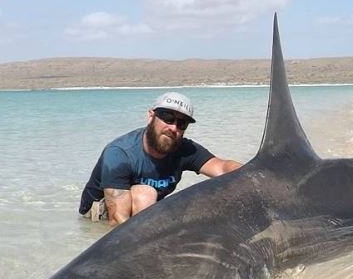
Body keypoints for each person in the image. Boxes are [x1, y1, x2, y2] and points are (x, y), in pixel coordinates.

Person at [79, 92, 242, 225]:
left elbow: (223, 168)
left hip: (145, 210)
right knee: (145, 195)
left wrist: (258, 173)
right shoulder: (119, 153)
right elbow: (117, 219)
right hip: (98, 214)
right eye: (167, 117)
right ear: (151, 116)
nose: (173, 128)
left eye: (181, 123)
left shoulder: (184, 149)